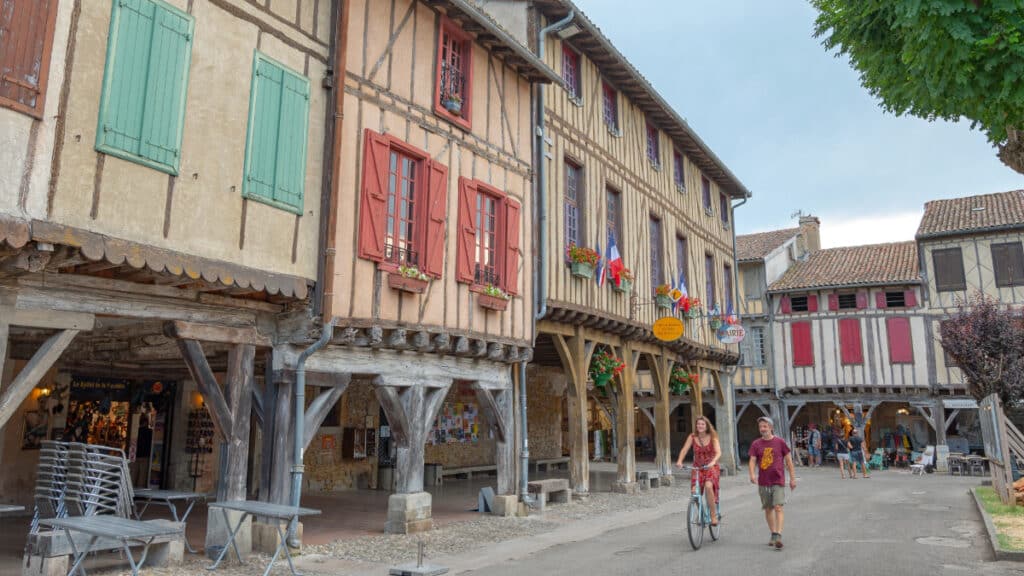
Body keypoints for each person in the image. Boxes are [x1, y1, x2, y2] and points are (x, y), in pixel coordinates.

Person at [749, 416, 797, 550]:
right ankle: (773, 533)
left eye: (765, 426)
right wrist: (752, 474)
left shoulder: (780, 442)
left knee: (778, 507)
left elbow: (789, 461)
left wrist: (792, 479)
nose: (762, 429)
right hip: (763, 481)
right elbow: (752, 460)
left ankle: (778, 535)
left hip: (778, 479)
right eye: (760, 427)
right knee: (768, 508)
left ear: (771, 427)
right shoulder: (756, 444)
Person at [675, 416, 722, 526]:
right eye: (698, 424)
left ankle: (713, 515)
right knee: (694, 491)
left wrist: (713, 462)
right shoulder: (692, 437)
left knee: (708, 486)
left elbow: (718, 452)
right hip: (698, 467)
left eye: (702, 424)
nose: (700, 426)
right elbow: (684, 449)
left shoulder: (713, 437)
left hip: (711, 467)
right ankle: (700, 510)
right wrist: (679, 461)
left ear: (706, 426)